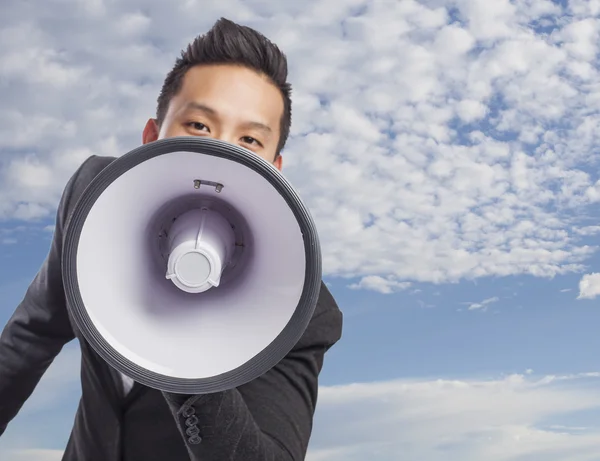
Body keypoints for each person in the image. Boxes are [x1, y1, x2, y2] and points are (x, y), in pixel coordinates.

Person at [0, 18, 343, 461]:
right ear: (150, 137)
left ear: (276, 170)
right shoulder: (93, 195)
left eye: (249, 139)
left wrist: (186, 360)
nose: (218, 154)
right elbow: (32, 336)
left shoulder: (304, 310)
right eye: (199, 125)